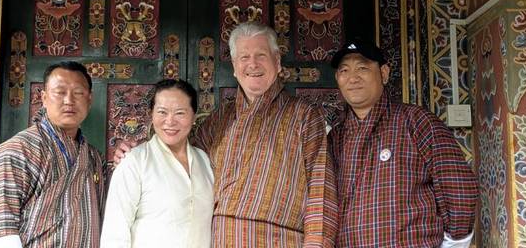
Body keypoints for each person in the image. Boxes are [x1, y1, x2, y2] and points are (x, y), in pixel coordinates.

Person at [115, 22, 337, 247]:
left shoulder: (304, 116)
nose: (252, 64)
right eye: (244, 57)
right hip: (221, 238)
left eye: (261, 55)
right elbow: (179, 153)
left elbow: (321, 191)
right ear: (233, 65)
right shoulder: (221, 118)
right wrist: (139, 154)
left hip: (281, 239)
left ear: (277, 61)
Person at [328, 39, 478, 248]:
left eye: (362, 68)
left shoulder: (416, 121)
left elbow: (457, 186)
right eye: (344, 71)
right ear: (337, 78)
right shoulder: (335, 138)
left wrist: (455, 243)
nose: (353, 78)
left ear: (384, 73)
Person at [0, 61, 106, 248]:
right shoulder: (18, 150)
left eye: (78, 93)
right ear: (44, 98)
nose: (69, 100)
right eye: (60, 92)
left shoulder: (93, 157)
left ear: (90, 99)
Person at [100, 79, 213, 247]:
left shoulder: (204, 160)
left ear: (194, 116)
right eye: (162, 112)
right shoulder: (134, 161)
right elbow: (115, 231)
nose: (170, 121)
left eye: (180, 113)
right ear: (151, 114)